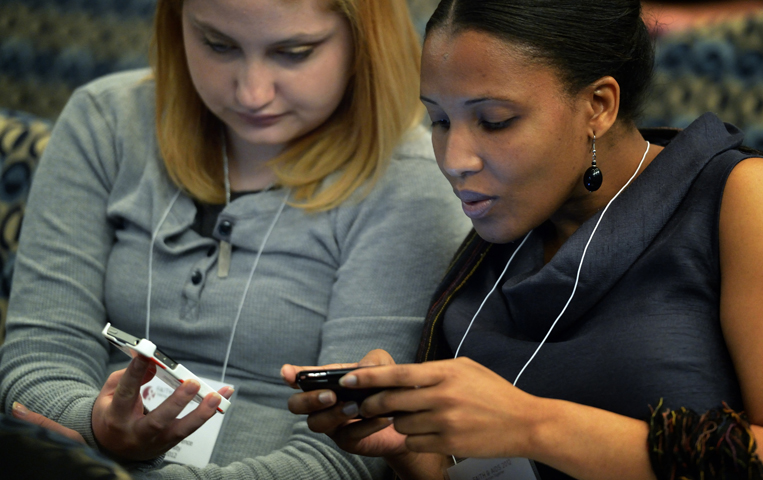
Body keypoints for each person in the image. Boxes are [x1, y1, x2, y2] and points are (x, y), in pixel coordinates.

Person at [283, 1, 763, 479]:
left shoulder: (742, 197)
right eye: (439, 120)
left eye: (494, 121)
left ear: (598, 106)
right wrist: (413, 452)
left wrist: (532, 425)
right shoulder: (493, 238)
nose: (454, 159)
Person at [0, 0, 470, 478]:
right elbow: (38, 359)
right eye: (218, 45)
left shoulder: (413, 183)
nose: (252, 92)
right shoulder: (107, 121)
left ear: (365, 41)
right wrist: (95, 428)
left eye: (294, 52)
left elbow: (347, 451)